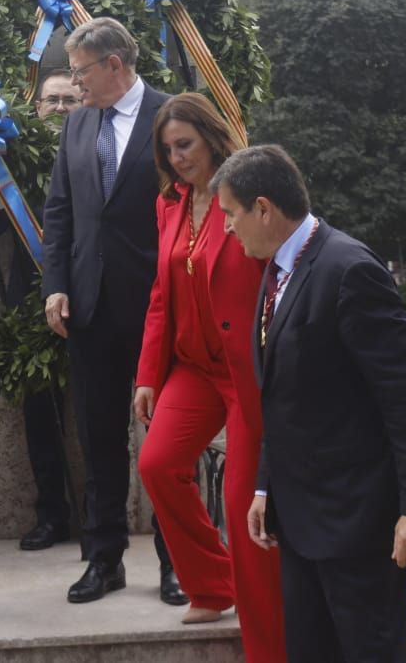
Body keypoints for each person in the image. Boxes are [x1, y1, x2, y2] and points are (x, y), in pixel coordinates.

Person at [215, 145, 406, 663]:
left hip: (359, 525)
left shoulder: (349, 270)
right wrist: (265, 485)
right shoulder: (278, 273)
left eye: (230, 215)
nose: (228, 230)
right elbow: (283, 398)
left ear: (263, 208)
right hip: (302, 524)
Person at [133, 94, 287, 658]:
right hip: (191, 368)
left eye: (185, 144)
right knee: (157, 464)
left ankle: (270, 647)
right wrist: (149, 373)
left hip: (246, 370)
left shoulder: (246, 191)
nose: (176, 157)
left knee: (247, 504)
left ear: (212, 138)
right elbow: (160, 293)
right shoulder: (168, 204)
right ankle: (211, 584)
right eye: (167, 148)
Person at [41, 16, 184, 606]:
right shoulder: (77, 127)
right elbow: (60, 213)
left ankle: (178, 562)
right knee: (99, 440)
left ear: (114, 65)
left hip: (161, 308)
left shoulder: (173, 117)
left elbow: (198, 202)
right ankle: (104, 559)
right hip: (89, 308)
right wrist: (56, 285)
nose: (76, 85)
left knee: (171, 444)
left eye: (80, 72)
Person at [16, 70, 82, 551]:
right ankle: (52, 513)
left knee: (98, 413)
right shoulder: (11, 161)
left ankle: (100, 518)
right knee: (40, 414)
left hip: (96, 295)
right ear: (35, 107)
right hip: (32, 302)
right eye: (51, 100)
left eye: (69, 101)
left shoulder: (98, 153)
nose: (59, 109)